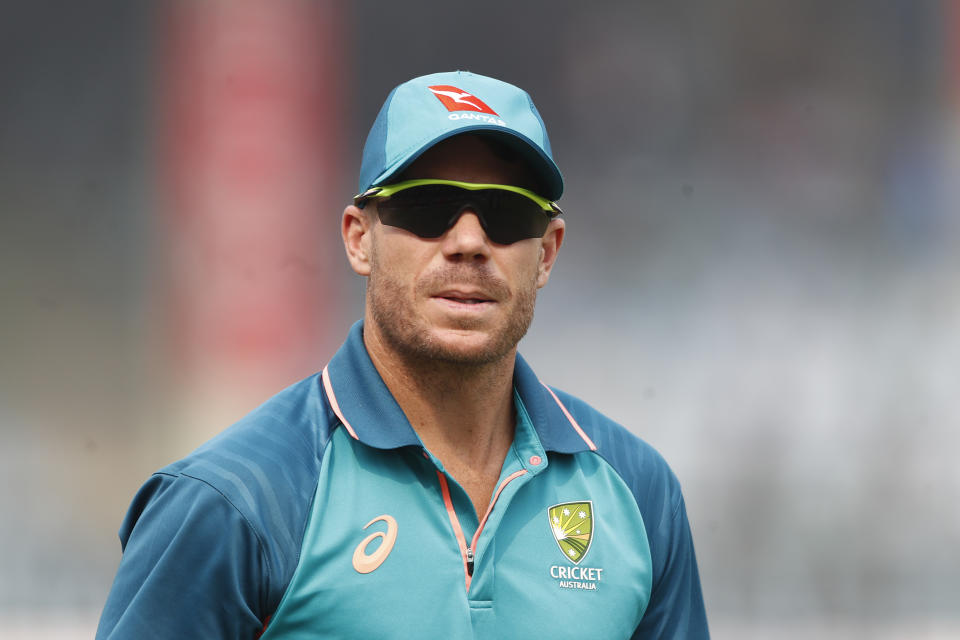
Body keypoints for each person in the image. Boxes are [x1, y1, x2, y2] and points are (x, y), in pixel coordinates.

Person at [96, 71, 709, 639]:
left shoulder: (639, 494)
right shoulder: (232, 502)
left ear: (546, 252)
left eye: (506, 213)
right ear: (360, 240)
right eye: (427, 206)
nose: (468, 242)